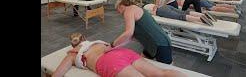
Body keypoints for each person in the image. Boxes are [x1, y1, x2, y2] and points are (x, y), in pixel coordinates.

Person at [52, 33, 186, 77]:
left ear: (73, 45)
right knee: (161, 73)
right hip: (122, 52)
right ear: (84, 38)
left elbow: (57, 74)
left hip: (109, 61)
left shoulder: (72, 53)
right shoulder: (97, 42)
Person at [113, 0, 173, 64]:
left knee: (167, 68)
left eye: (117, 10)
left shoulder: (128, 10)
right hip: (150, 44)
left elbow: (128, 33)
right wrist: (115, 46)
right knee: (142, 61)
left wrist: (112, 45)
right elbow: (129, 38)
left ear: (121, 6)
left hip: (160, 43)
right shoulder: (134, 9)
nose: (118, 13)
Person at [143, 4, 215, 25]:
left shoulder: (145, 9)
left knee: (180, 16)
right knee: (184, 12)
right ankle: (202, 15)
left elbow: (153, 13)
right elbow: (156, 5)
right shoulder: (148, 4)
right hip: (165, 6)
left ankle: (200, 19)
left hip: (161, 11)